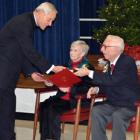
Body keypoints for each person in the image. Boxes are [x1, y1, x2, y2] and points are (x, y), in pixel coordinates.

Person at [0, 2, 65, 140]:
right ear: (41, 13)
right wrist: (52, 68)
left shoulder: (26, 22)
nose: (50, 24)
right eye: (50, 20)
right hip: (3, 76)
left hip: (6, 76)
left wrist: (31, 72)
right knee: (6, 110)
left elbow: (21, 52)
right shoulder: (24, 23)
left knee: (7, 110)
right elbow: (30, 51)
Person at [75, 35, 140, 140]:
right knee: (97, 110)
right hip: (113, 103)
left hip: (129, 104)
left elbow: (113, 80)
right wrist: (97, 89)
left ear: (116, 49)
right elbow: (109, 83)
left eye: (105, 46)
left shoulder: (127, 61)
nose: (101, 49)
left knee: (118, 116)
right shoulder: (110, 63)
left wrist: (88, 72)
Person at [39, 40, 94, 140]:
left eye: (75, 50)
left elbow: (87, 88)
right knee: (44, 105)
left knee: (52, 109)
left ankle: (54, 138)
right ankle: (44, 137)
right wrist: (50, 83)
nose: (71, 52)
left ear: (82, 53)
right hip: (62, 98)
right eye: (71, 50)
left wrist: (70, 89)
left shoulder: (87, 68)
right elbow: (60, 82)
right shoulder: (66, 65)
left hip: (77, 100)